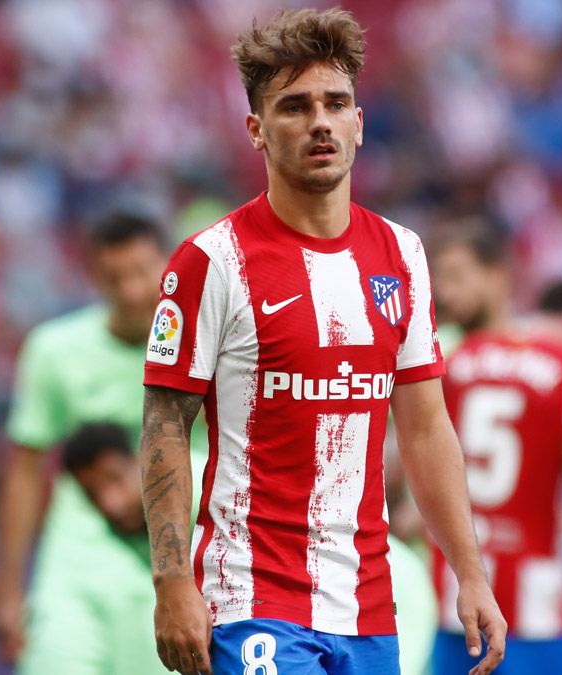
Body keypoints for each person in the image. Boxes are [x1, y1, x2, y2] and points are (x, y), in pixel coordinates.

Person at [139, 9, 505, 675]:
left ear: (359, 124)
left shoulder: (403, 254)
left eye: (336, 103)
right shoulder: (211, 260)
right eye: (295, 106)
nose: (320, 122)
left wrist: (470, 573)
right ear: (256, 129)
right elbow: (164, 425)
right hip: (250, 594)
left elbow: (425, 427)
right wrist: (170, 583)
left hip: (366, 604)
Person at [428, 223, 562, 674]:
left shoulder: (445, 365)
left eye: (457, 276)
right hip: (538, 612)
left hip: (455, 606)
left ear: (499, 274)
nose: (445, 292)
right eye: (439, 279)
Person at [0, 212, 173, 675]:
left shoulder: (208, 349)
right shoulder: (54, 349)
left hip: (172, 571)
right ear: (94, 278)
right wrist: (11, 588)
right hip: (75, 566)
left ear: (168, 268)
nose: (132, 291)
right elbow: (26, 471)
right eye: (115, 278)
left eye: (141, 273)